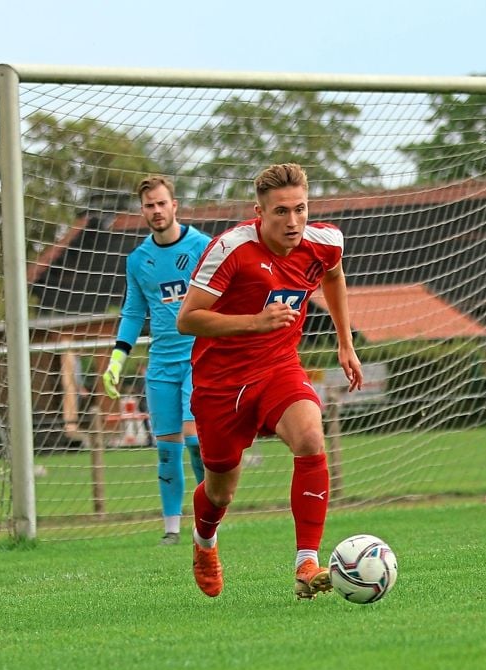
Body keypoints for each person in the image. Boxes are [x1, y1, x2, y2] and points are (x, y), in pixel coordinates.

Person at [176, 162, 363, 599]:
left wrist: (345, 341)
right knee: (220, 490)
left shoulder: (325, 242)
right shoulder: (231, 250)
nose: (293, 221)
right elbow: (188, 320)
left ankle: (306, 563)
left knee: (310, 438)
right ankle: (204, 542)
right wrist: (255, 322)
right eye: (281, 211)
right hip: (220, 383)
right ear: (259, 211)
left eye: (300, 209)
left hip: (279, 367)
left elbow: (333, 276)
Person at [103, 175, 211, 545]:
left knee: (195, 441)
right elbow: (133, 312)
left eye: (162, 203)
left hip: (201, 359)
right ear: (143, 210)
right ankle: (171, 530)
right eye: (149, 205)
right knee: (167, 450)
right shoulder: (138, 260)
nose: (156, 210)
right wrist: (117, 360)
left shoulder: (203, 246)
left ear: (175, 205)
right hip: (161, 366)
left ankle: (209, 519)